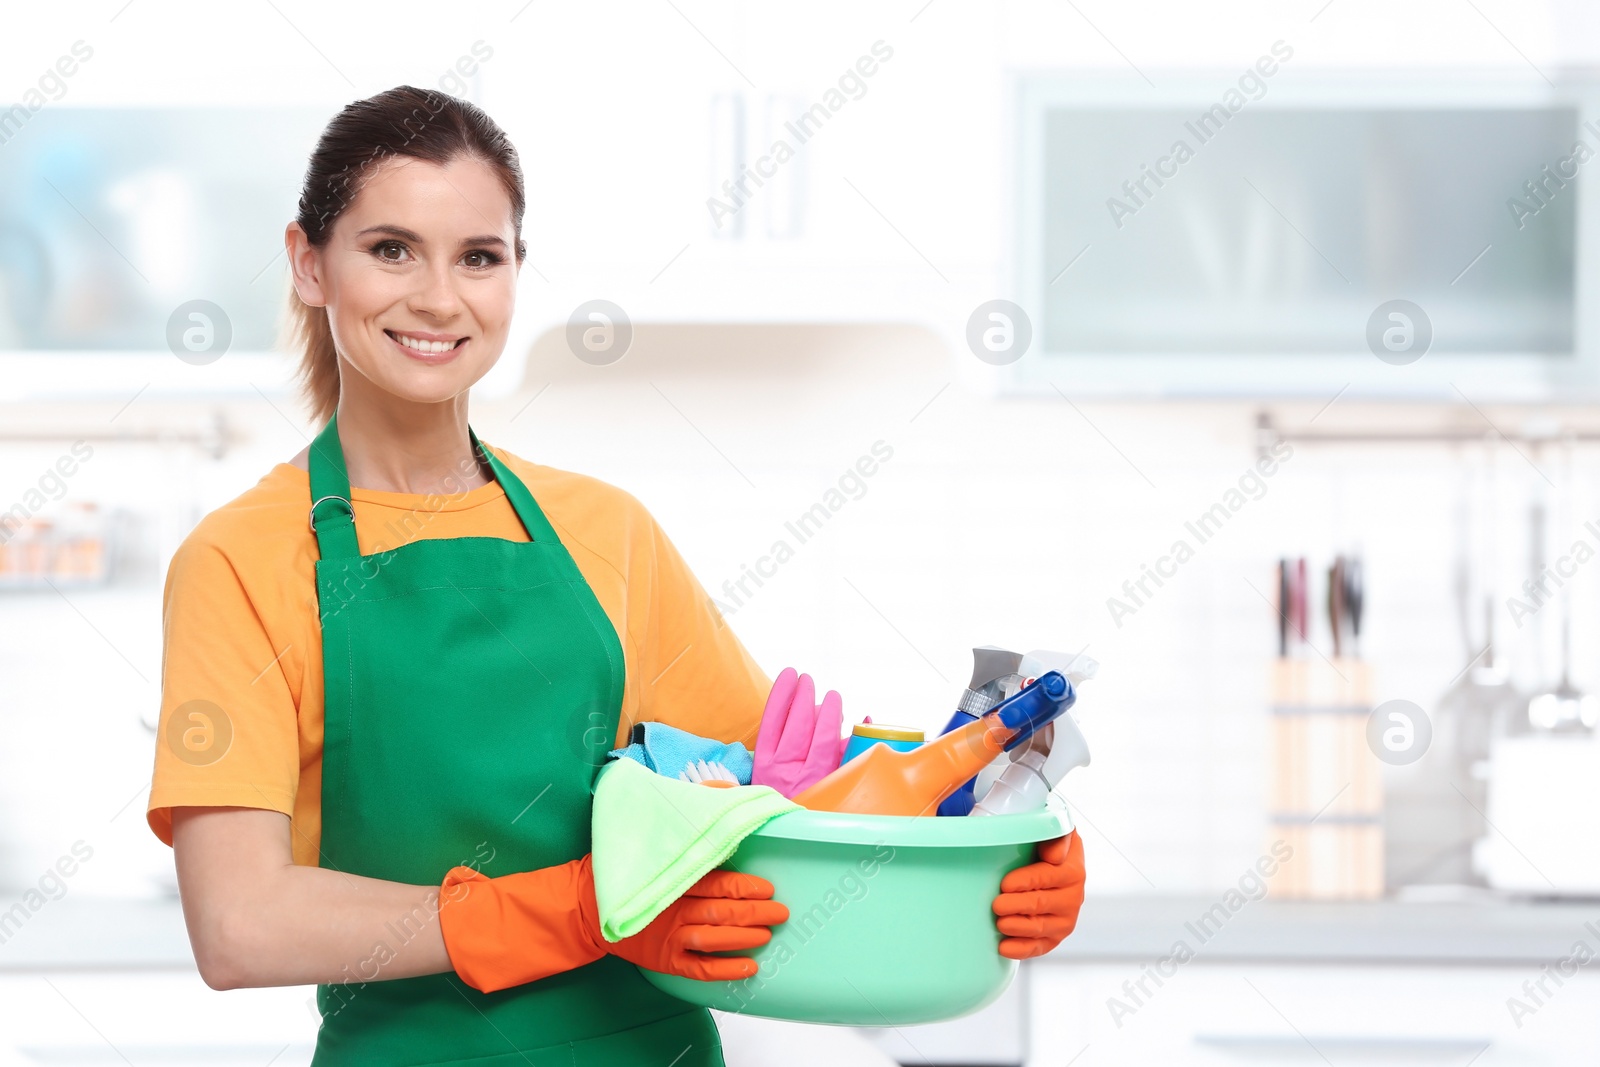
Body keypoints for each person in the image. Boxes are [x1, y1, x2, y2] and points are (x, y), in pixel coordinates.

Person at [145, 85, 1084, 1067]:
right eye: (391, 248)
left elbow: (788, 789)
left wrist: (990, 824)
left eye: (478, 256)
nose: (436, 296)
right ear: (309, 262)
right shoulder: (242, 559)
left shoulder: (605, 530)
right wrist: (595, 910)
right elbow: (241, 922)